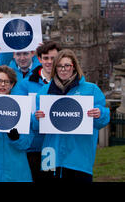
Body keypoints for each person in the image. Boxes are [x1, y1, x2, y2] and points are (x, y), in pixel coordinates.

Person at [33, 49, 110, 182]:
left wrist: (100, 113)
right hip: (50, 156)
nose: (63, 69)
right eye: (59, 66)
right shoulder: (44, 91)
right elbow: (36, 125)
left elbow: (102, 120)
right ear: (55, 68)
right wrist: (36, 118)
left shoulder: (90, 90)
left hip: (79, 157)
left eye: (67, 65)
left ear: (74, 67)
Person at [12, 41, 61, 182]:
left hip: (55, 146)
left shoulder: (66, 84)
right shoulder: (24, 85)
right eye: (46, 58)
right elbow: (19, 114)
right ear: (39, 59)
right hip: (33, 146)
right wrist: (36, 119)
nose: (49, 62)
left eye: (53, 58)